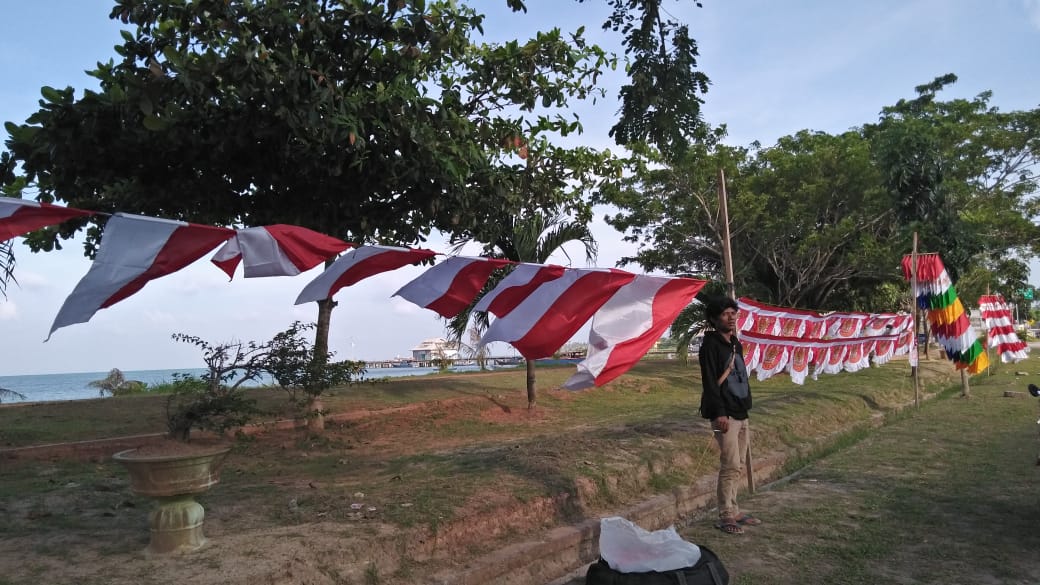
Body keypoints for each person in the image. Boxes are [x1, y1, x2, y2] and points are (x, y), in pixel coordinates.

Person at [698, 296, 760, 535]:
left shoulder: (735, 343)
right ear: (714, 319)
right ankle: (726, 515)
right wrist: (720, 413)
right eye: (726, 314)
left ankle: (735, 509)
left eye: (733, 313)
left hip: (741, 412)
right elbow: (710, 384)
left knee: (739, 465)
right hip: (724, 415)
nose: (731, 317)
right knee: (730, 465)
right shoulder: (710, 346)